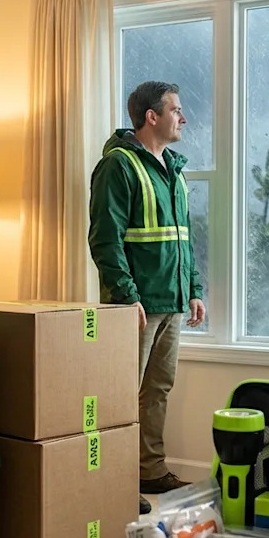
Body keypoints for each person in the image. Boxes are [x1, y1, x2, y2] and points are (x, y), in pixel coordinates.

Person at [88, 80, 206, 515]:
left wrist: (192, 289)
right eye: (176, 109)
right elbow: (106, 239)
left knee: (157, 389)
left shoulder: (172, 168)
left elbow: (183, 238)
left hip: (171, 301)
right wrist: (125, 296)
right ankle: (115, 481)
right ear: (151, 116)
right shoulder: (118, 166)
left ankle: (150, 470)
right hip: (136, 305)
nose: (183, 117)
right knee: (122, 395)